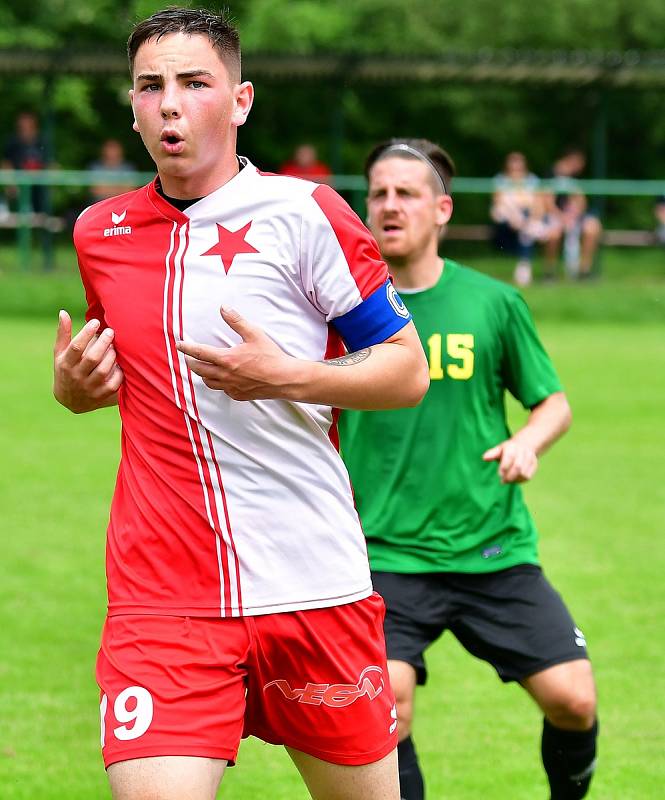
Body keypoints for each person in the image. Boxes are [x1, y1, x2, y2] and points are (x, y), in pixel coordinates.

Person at [52, 9, 430, 800]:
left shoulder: (306, 213)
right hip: (162, 597)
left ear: (241, 99)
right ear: (132, 106)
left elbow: (404, 372)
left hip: (312, 583)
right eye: (151, 86)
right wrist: (75, 390)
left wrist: (284, 375)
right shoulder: (101, 232)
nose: (170, 104)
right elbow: (109, 376)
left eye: (194, 83)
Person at [339, 138, 599, 800]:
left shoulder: (491, 303)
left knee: (573, 700)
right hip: (385, 550)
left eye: (407, 193)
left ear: (442, 208)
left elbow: (553, 404)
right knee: (386, 708)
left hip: (491, 545)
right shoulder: (338, 310)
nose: (389, 205)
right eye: (378, 193)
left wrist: (529, 443)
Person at [490, 151, 554, 287]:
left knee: (525, 229)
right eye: (513, 166)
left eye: (518, 166)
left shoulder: (532, 180)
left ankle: (524, 267)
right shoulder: (500, 180)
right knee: (526, 228)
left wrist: (528, 217)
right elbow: (499, 204)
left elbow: (538, 204)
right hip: (508, 218)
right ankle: (525, 264)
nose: (516, 170)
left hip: (527, 217)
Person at [543, 149, 603, 280]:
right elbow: (547, 202)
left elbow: (581, 200)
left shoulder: (575, 176)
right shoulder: (550, 174)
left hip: (573, 216)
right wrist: (561, 216)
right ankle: (549, 272)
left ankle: (584, 271)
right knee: (554, 233)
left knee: (593, 227)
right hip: (554, 215)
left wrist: (573, 214)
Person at [2, 110, 49, 213]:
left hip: (38, 184)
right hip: (18, 184)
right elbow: (6, 164)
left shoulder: (42, 142)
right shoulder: (13, 143)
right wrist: (11, 182)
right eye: (22, 127)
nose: (25, 130)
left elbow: (49, 165)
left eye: (28, 126)